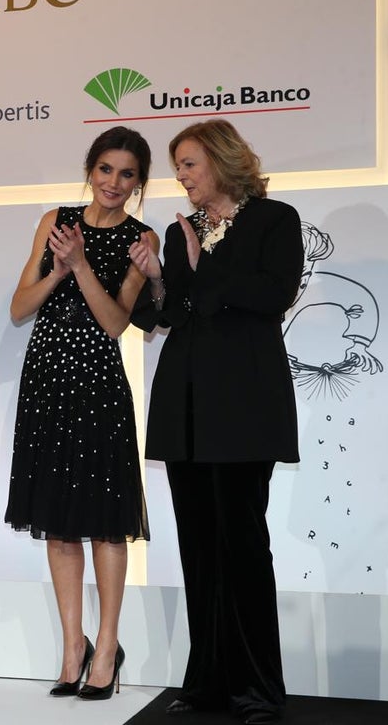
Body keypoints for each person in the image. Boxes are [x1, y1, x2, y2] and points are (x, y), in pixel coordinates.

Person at [129, 119, 302, 725]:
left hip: (244, 411)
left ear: (222, 162)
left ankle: (257, 689)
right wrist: (159, 277)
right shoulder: (184, 233)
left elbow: (272, 295)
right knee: (200, 550)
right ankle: (207, 682)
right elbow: (175, 311)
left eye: (189, 164)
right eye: (177, 166)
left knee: (243, 547)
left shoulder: (274, 221)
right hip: (187, 408)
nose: (180, 176)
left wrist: (204, 268)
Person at [5, 126, 156, 701]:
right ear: (89, 170)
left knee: (104, 522)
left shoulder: (143, 239)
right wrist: (58, 269)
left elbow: (117, 323)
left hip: (98, 386)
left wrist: (83, 266)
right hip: (46, 380)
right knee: (59, 522)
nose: (113, 183)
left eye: (127, 174)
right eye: (105, 170)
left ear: (139, 182)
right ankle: (73, 647)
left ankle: (108, 646)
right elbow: (20, 307)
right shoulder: (55, 221)